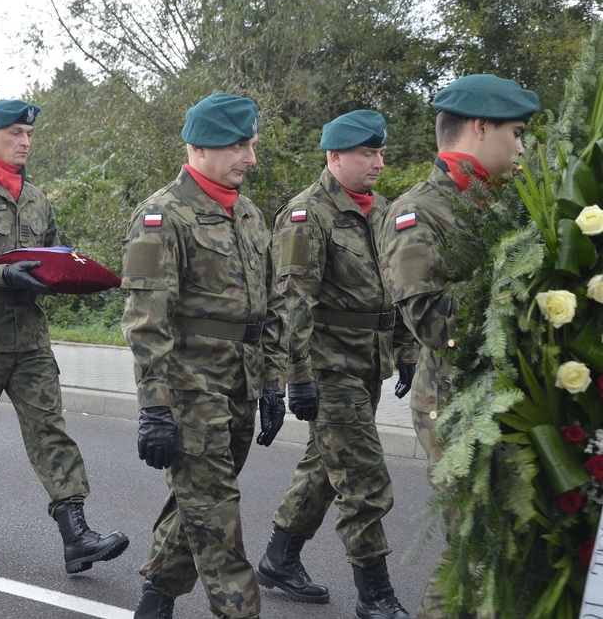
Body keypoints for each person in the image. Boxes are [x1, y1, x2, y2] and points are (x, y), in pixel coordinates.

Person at [0, 99, 129, 573]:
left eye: (29, 135)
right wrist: (4, 276)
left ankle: (75, 532)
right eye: (15, 133)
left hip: (31, 340)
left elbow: (54, 254)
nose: (24, 142)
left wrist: (67, 277)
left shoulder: (38, 199)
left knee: (49, 431)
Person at [379, 74, 540, 619]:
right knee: (480, 548)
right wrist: (522, 306)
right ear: (479, 127)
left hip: (515, 398)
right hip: (456, 402)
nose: (520, 146)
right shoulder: (418, 212)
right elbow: (429, 320)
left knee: (503, 548)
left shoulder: (511, 204)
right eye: (515, 133)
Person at [121, 92, 284, 619]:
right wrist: (154, 407)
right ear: (202, 146)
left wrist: (274, 383)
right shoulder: (161, 215)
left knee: (197, 503)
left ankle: (156, 599)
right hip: (190, 391)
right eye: (239, 146)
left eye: (251, 145)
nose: (250, 158)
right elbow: (147, 318)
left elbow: (268, 309)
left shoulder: (251, 215)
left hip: (241, 385)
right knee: (217, 517)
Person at [255, 111, 416, 619]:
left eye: (380, 152)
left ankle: (279, 559)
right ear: (334, 156)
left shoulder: (384, 211)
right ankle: (376, 596)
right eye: (367, 153)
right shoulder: (308, 215)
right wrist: (295, 378)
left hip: (369, 363)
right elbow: (292, 303)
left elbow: (396, 289)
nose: (378, 162)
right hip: (328, 369)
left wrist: (406, 351)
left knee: (326, 466)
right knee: (364, 478)